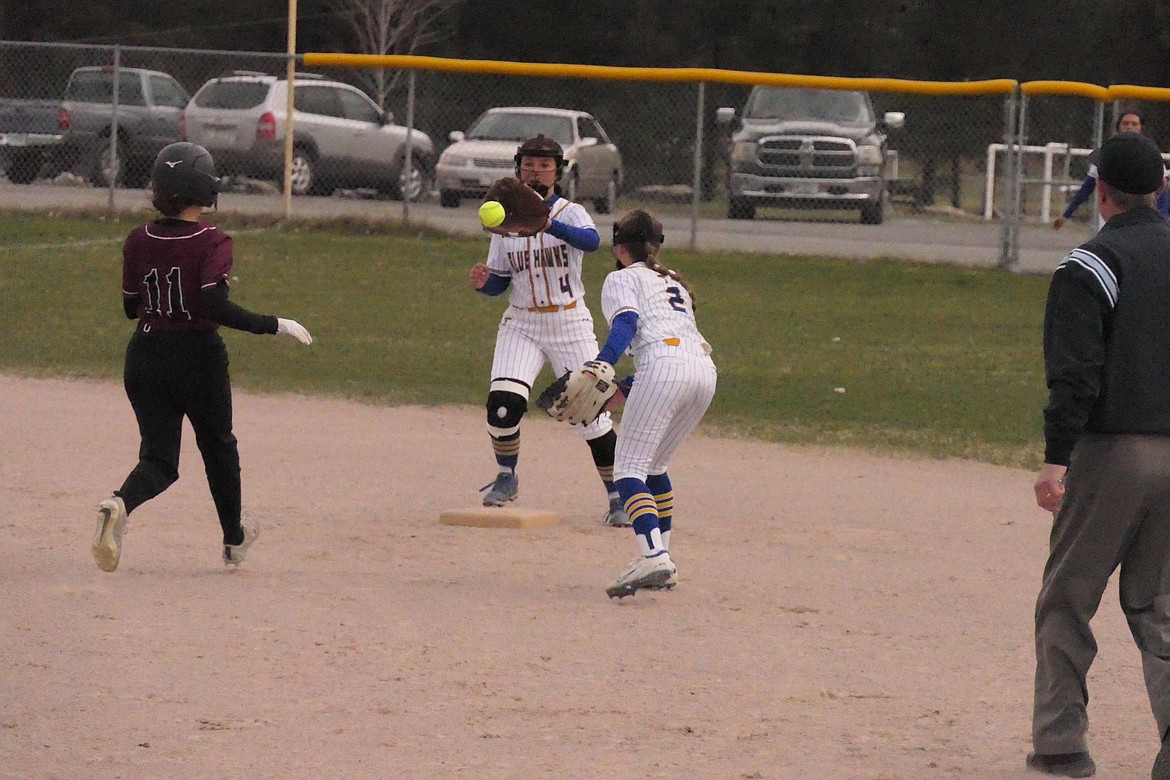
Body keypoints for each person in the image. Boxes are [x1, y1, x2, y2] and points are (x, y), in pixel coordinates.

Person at [91, 141, 313, 573]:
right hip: (197, 357)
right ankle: (233, 539)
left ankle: (118, 504)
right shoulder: (213, 241)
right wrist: (273, 324)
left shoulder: (139, 239)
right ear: (205, 189)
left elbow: (129, 307)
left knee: (158, 460)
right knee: (218, 447)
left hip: (145, 353)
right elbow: (213, 303)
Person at [1028, 133, 1170, 779]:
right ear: (1160, 190)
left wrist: (1056, 460)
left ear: (1102, 191)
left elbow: (1076, 375)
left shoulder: (1090, 264)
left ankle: (1061, 744)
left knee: (1068, 599)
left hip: (1114, 450)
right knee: (1157, 607)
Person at [468, 134, 629, 526]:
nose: (536, 170)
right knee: (502, 405)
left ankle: (618, 497)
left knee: (592, 415)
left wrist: (547, 223)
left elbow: (591, 243)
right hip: (521, 323)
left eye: (544, 164)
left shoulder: (569, 212)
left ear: (557, 171)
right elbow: (501, 281)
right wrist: (484, 282)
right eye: (529, 163)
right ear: (518, 168)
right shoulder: (504, 221)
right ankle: (506, 477)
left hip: (569, 322)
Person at [596, 210, 717, 599]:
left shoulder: (620, 277)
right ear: (656, 247)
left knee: (628, 470)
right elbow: (671, 347)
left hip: (665, 367)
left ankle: (653, 556)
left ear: (619, 247)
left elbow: (627, 324)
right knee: (654, 466)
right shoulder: (673, 283)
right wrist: (623, 388)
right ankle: (662, 558)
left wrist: (603, 363)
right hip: (703, 370)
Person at [1053, 109, 1169, 231]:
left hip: (1142, 223)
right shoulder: (1107, 154)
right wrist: (1067, 214)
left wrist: (1163, 222)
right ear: (1118, 126)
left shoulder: (1152, 156)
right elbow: (1087, 188)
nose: (1129, 127)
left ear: (1141, 127)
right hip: (1111, 221)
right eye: (1125, 123)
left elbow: (1162, 194)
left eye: (1134, 124)